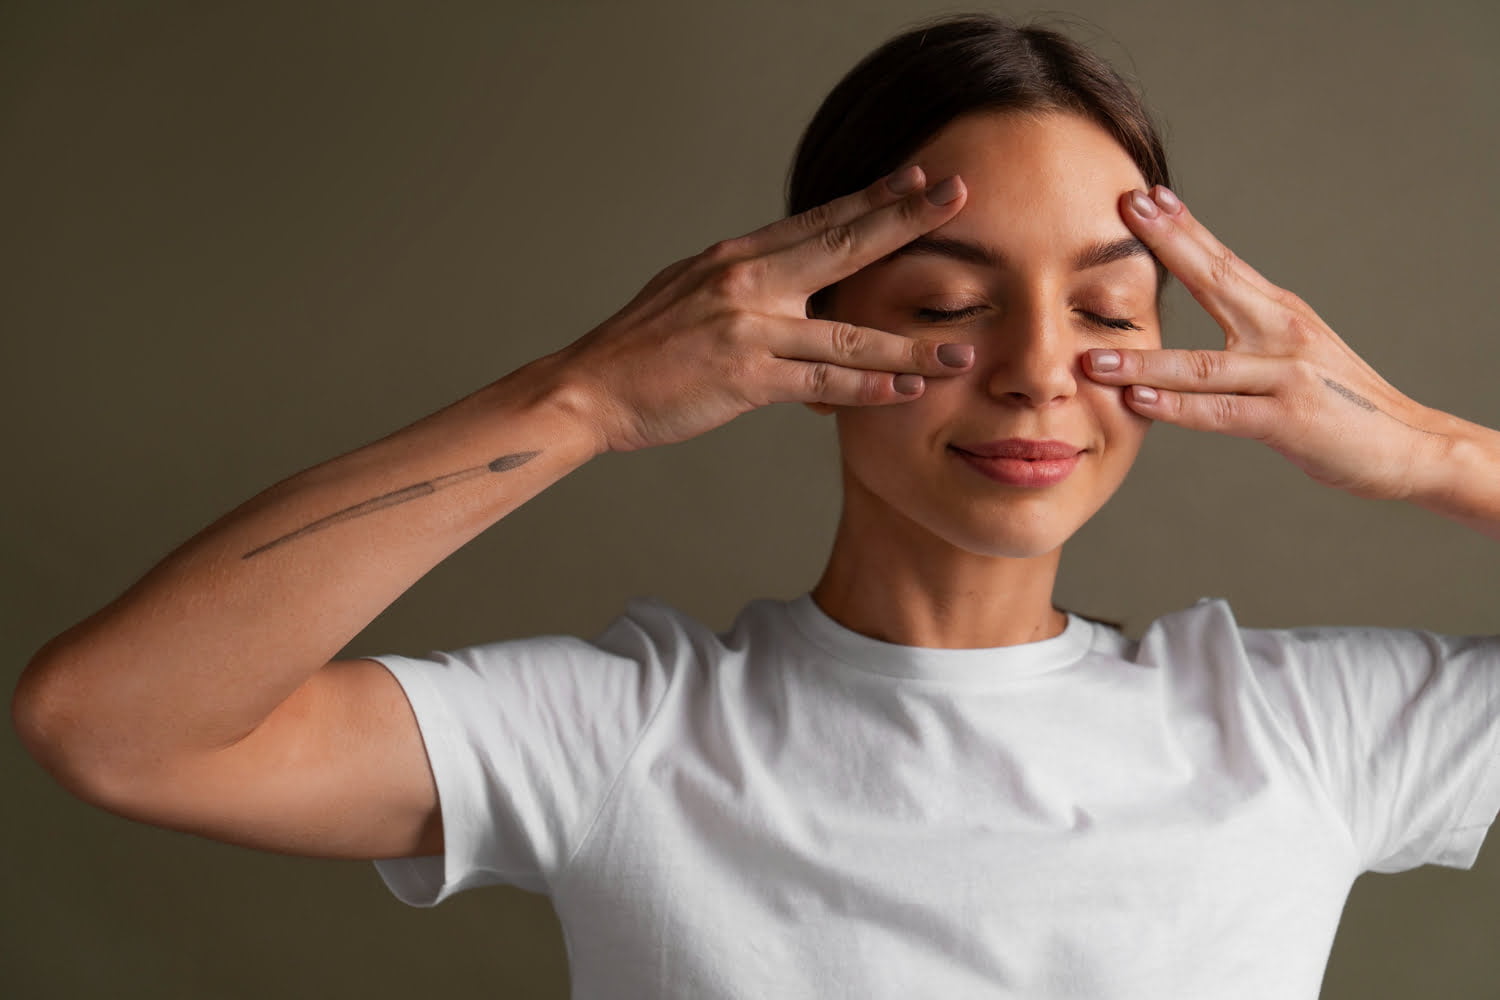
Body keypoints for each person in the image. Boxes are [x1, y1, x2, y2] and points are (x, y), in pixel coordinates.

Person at [12, 12, 1499, 998]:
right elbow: (111, 725)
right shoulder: (623, 736)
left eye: (1107, 309)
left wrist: (1435, 450)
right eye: (944, 305)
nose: (1041, 371)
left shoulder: (1309, 731)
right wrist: (582, 397)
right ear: (801, 329)